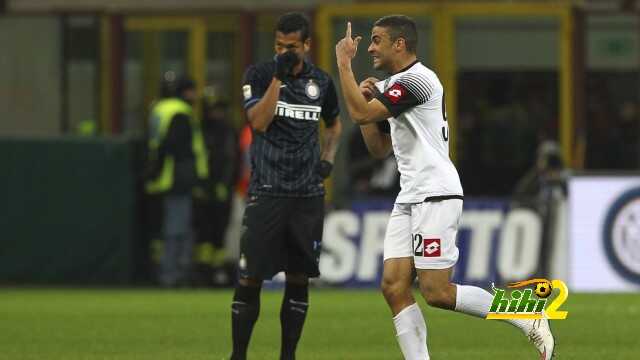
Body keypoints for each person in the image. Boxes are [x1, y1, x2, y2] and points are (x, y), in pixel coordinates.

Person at [335, 15, 555, 359]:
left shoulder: (417, 80)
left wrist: (344, 65)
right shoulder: (397, 86)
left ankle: (524, 312)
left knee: (436, 292)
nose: (372, 48)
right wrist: (367, 105)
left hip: (435, 192)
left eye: (377, 40)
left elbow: (362, 113)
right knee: (393, 286)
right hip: (410, 195)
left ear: (400, 44)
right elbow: (379, 148)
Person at [230, 12, 342, 360]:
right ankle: (239, 355)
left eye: (291, 47)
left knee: (298, 278)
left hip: (307, 195)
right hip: (268, 191)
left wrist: (328, 159)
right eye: (279, 46)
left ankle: (288, 355)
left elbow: (335, 125)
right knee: (250, 278)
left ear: (307, 46)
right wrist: (278, 77)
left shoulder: (321, 82)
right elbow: (259, 122)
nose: (284, 52)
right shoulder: (260, 75)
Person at [145, 74, 208, 287]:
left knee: (169, 227)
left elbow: (157, 145)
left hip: (162, 176)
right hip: (177, 177)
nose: (195, 95)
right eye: (192, 90)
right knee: (177, 228)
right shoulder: (180, 112)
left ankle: (169, 272)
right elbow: (179, 149)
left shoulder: (159, 109)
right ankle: (172, 275)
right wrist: (195, 178)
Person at [192, 98, 239, 286]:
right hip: (207, 189)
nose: (215, 115)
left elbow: (231, 161)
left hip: (220, 189)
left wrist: (225, 184)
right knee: (205, 233)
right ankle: (205, 272)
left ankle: (217, 272)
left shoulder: (225, 132)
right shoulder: (204, 130)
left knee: (219, 233)